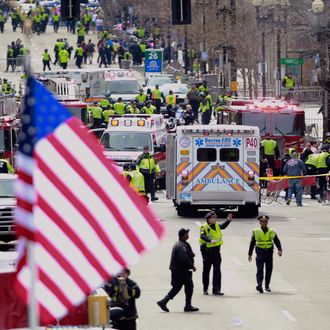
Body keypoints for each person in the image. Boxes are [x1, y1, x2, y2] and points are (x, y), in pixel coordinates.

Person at [157, 228, 199, 313]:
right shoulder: (181, 246)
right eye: (187, 234)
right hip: (181, 271)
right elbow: (184, 259)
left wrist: (191, 254)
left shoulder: (182, 244)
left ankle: (163, 302)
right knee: (189, 287)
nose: (188, 235)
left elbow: (186, 255)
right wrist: (192, 266)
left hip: (178, 271)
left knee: (177, 288)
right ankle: (187, 306)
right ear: (183, 235)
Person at [199, 211, 233, 295]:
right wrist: (210, 240)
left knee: (217, 271)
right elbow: (202, 236)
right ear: (209, 219)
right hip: (207, 252)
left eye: (215, 217)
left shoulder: (217, 225)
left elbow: (223, 226)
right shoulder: (204, 227)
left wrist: (228, 220)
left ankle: (216, 290)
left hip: (216, 251)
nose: (215, 219)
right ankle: (205, 289)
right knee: (206, 270)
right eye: (214, 218)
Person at [248, 215, 282, 293]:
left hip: (269, 252)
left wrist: (280, 249)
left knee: (269, 269)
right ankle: (259, 285)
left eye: (265, 221)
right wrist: (250, 254)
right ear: (259, 222)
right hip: (260, 252)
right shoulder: (256, 231)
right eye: (262, 221)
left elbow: (276, 240)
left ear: (267, 221)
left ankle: (267, 285)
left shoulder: (272, 231)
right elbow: (252, 242)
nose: (264, 223)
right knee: (260, 269)